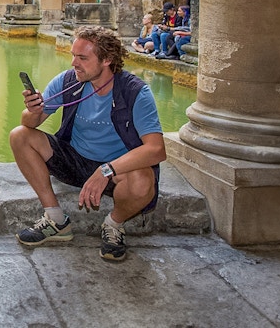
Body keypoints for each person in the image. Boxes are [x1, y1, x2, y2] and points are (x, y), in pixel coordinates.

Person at [9, 25, 166, 261]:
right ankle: (55, 219)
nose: (74, 63)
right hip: (75, 158)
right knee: (19, 135)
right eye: (73, 55)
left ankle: (114, 225)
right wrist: (33, 110)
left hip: (115, 170)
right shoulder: (68, 81)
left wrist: (106, 170)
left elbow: (156, 150)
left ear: (107, 60)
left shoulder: (135, 92)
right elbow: (30, 124)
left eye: (82, 57)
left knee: (143, 181)